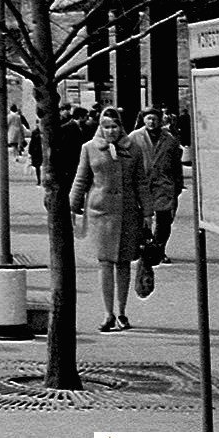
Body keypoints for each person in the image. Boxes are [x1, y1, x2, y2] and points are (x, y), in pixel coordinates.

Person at [69, 106, 152, 332]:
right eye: (106, 126)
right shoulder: (89, 149)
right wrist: (72, 207)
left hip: (127, 214)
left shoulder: (133, 149)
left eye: (114, 126)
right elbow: (81, 179)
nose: (111, 131)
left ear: (121, 127)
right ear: (100, 127)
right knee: (105, 263)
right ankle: (108, 313)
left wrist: (147, 212)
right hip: (100, 214)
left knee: (124, 263)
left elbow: (141, 182)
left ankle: (122, 312)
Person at [127, 107, 184, 264]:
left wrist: (178, 185)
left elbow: (176, 165)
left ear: (160, 120)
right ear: (143, 119)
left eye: (154, 119)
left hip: (164, 185)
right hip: (142, 184)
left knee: (164, 221)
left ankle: (159, 250)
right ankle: (143, 248)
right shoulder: (134, 137)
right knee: (142, 219)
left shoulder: (169, 140)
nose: (151, 122)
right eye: (148, 118)